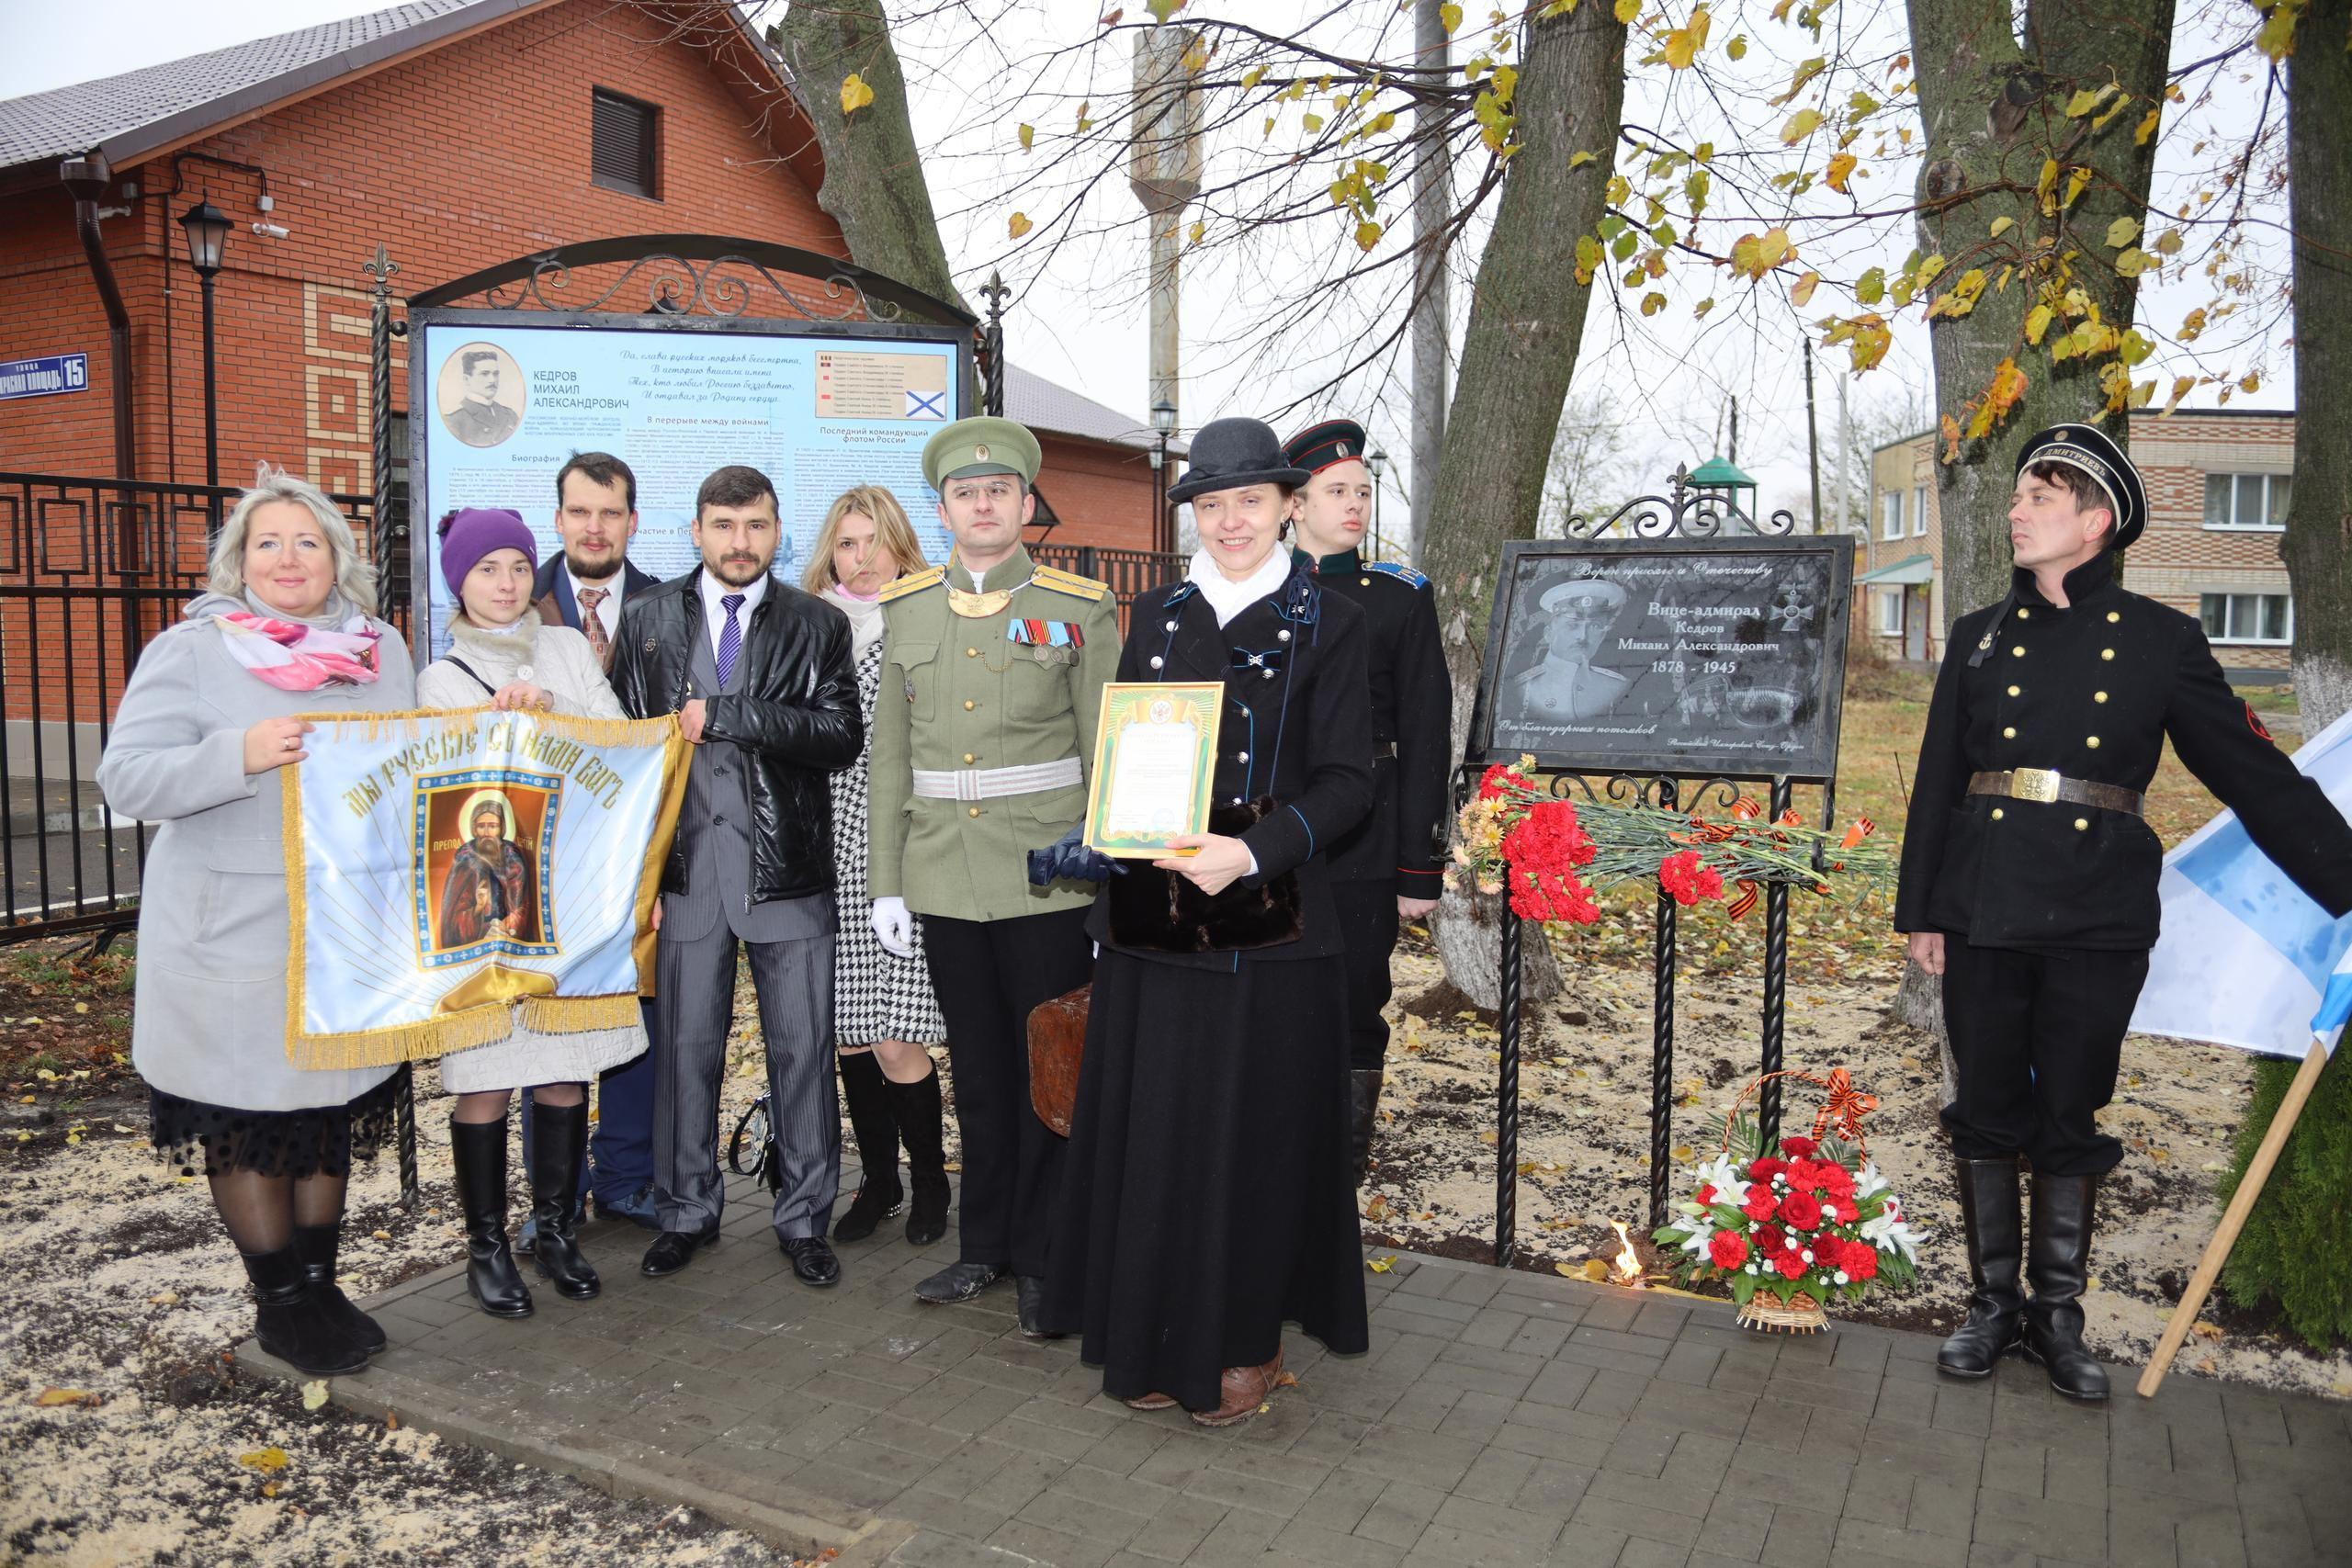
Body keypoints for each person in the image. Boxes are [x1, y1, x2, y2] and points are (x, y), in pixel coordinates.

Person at [1897, 423, 2352, 1401]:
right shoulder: (1977, 637)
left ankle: (2057, 1319)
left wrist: (2346, 878)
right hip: (1979, 901)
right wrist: (1920, 910)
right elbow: (1937, 779)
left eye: (2039, 499)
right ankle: (1990, 1306)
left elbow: (2251, 774)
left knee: (2068, 1109)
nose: (2015, 513)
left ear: (2095, 521)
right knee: (1984, 1108)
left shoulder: (2159, 642)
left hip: (2096, 908)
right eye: (2019, 496)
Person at [1042, 415, 1374, 1426]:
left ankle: (1243, 1339)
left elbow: (1352, 782)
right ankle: (1147, 1332)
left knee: (1249, 1134)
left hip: (1266, 920)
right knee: (1158, 1129)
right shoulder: (1158, 615)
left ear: (1285, 507)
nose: (1231, 521)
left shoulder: (1333, 620)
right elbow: (1131, 754)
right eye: (1212, 504)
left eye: (1249, 502)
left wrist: (1257, 850)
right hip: (1155, 913)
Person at [96, 469, 417, 1377]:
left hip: (347, 933)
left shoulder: (378, 649)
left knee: (323, 1113)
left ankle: (320, 1284)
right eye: (268, 542)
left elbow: (425, 757)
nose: (288, 558)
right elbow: (126, 779)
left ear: (337, 561)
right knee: (249, 1121)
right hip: (231, 937)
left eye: (307, 542)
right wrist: (237, 752)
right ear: (239, 561)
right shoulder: (197, 650)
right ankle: (278, 1299)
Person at [866, 416, 1120, 1330]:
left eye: (999, 491)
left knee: (1048, 1069)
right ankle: (985, 1248)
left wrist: (1102, 872)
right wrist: (886, 882)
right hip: (942, 875)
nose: (983, 504)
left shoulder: (1080, 606)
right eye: (966, 494)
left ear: (1023, 504)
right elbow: (890, 759)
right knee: (976, 1071)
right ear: (943, 512)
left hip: (1044, 875)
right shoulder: (907, 609)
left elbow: (1108, 756)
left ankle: (1049, 1254)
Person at [609, 465, 862, 1288]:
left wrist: (732, 716)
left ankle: (804, 1216)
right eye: (723, 525)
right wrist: (631, 883)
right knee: (685, 1052)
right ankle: (684, 1210)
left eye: (755, 526)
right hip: (686, 879)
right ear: (696, 531)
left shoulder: (816, 622)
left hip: (786, 874)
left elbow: (839, 737)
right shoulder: (645, 620)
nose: (740, 542)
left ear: (777, 530)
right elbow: (615, 751)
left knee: (803, 1051)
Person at [416, 506, 647, 1318]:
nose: (507, 583)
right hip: (483, 913)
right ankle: (486, 1247)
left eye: (518, 566)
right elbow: (446, 791)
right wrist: (498, 727)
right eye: (488, 570)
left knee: (561, 1064)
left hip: (565, 895)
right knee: (482, 1078)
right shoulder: (439, 677)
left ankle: (554, 1229)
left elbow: (618, 740)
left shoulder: (566, 646)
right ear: (460, 581)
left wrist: (553, 714)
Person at [1281, 419, 1451, 1180]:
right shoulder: (1254, 591)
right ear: (1294, 503)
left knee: (1355, 1000)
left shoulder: (1397, 599)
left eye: (1362, 492)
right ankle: (1273, 1146)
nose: (1353, 505)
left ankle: (1341, 1163)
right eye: (1335, 491)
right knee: (1273, 999)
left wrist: (1419, 868)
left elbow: (1425, 736)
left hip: (1366, 840)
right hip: (1267, 835)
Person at [801, 486, 951, 1248]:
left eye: (873, 541)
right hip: (822, 843)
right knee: (850, 1033)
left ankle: (930, 1182)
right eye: (846, 543)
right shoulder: (807, 626)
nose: (860, 560)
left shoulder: (926, 618)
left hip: (897, 840)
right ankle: (880, 1181)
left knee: (897, 1034)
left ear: (901, 544)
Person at [528, 452, 663, 1233]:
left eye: (610, 513)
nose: (594, 526)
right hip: (541, 857)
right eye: (580, 511)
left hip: (633, 856)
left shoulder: (663, 603)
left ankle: (624, 1176)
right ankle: (553, 1196)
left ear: (632, 522)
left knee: (636, 1016)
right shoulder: (513, 599)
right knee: (541, 1025)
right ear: (560, 518)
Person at [1513, 578, 1631, 722]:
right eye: (1572, 625)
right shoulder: (1523, 688)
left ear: (1602, 636)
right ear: (1548, 634)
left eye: (1594, 626)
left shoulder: (1618, 687)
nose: (1582, 636)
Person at [445, 350, 519, 447]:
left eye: (496, 374)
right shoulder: (454, 419)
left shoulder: (510, 415)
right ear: (466, 379)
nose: (492, 380)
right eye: (484, 374)